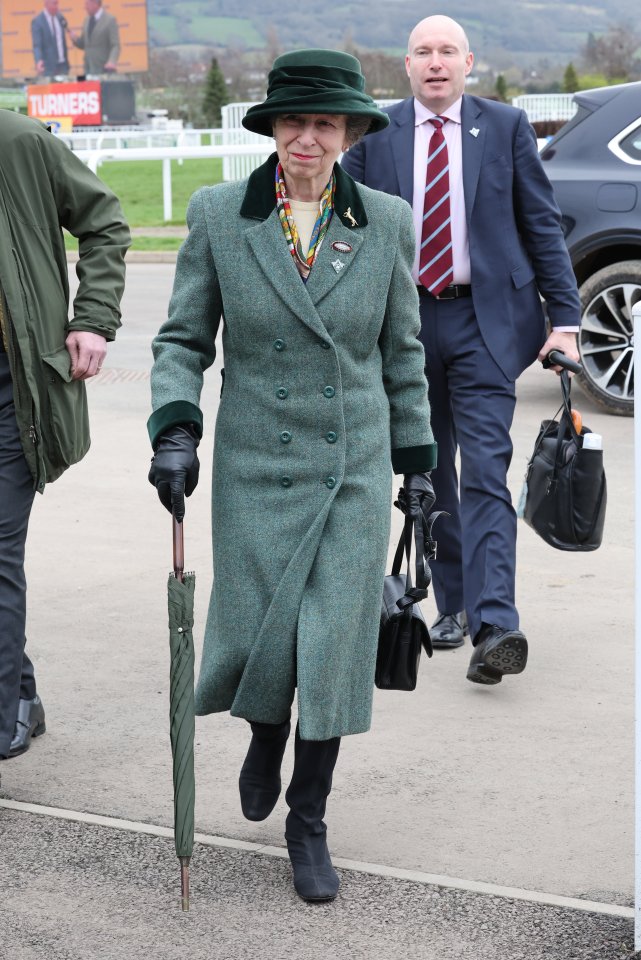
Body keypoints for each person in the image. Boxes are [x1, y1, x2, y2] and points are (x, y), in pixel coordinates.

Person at [147, 49, 437, 903]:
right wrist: (175, 429)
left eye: (324, 123)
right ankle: (263, 733)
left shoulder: (383, 220)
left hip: (348, 469)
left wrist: (415, 468)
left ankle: (307, 818)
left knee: (333, 646)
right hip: (253, 463)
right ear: (272, 128)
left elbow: (402, 354)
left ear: (348, 133)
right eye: (292, 121)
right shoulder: (217, 215)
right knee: (266, 633)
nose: (307, 138)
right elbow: (181, 340)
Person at [342, 15, 581, 685]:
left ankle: (494, 621)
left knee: (483, 471)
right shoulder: (376, 133)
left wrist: (564, 319)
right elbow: (350, 233)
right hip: (407, 326)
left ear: (467, 61)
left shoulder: (502, 127)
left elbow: (539, 223)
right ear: (406, 65)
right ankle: (449, 605)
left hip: (486, 325)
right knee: (428, 472)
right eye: (423, 51)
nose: (436, 61)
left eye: (447, 50)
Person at [0, 111, 130, 763]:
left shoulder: (19, 142)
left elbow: (105, 222)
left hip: (12, 385)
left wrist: (94, 318)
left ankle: (2, 719)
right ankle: (20, 691)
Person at [69, 0, 120, 75]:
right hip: (88, 68)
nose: (85, 7)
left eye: (87, 4)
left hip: (104, 68)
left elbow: (115, 45)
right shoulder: (86, 20)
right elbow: (84, 44)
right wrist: (75, 39)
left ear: (95, 4)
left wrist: (112, 61)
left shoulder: (110, 20)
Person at [31, 0, 69, 77]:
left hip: (63, 65)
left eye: (57, 3)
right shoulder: (38, 21)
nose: (56, 6)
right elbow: (37, 45)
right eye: (54, 3)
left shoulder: (60, 17)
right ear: (46, 3)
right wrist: (38, 60)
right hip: (48, 67)